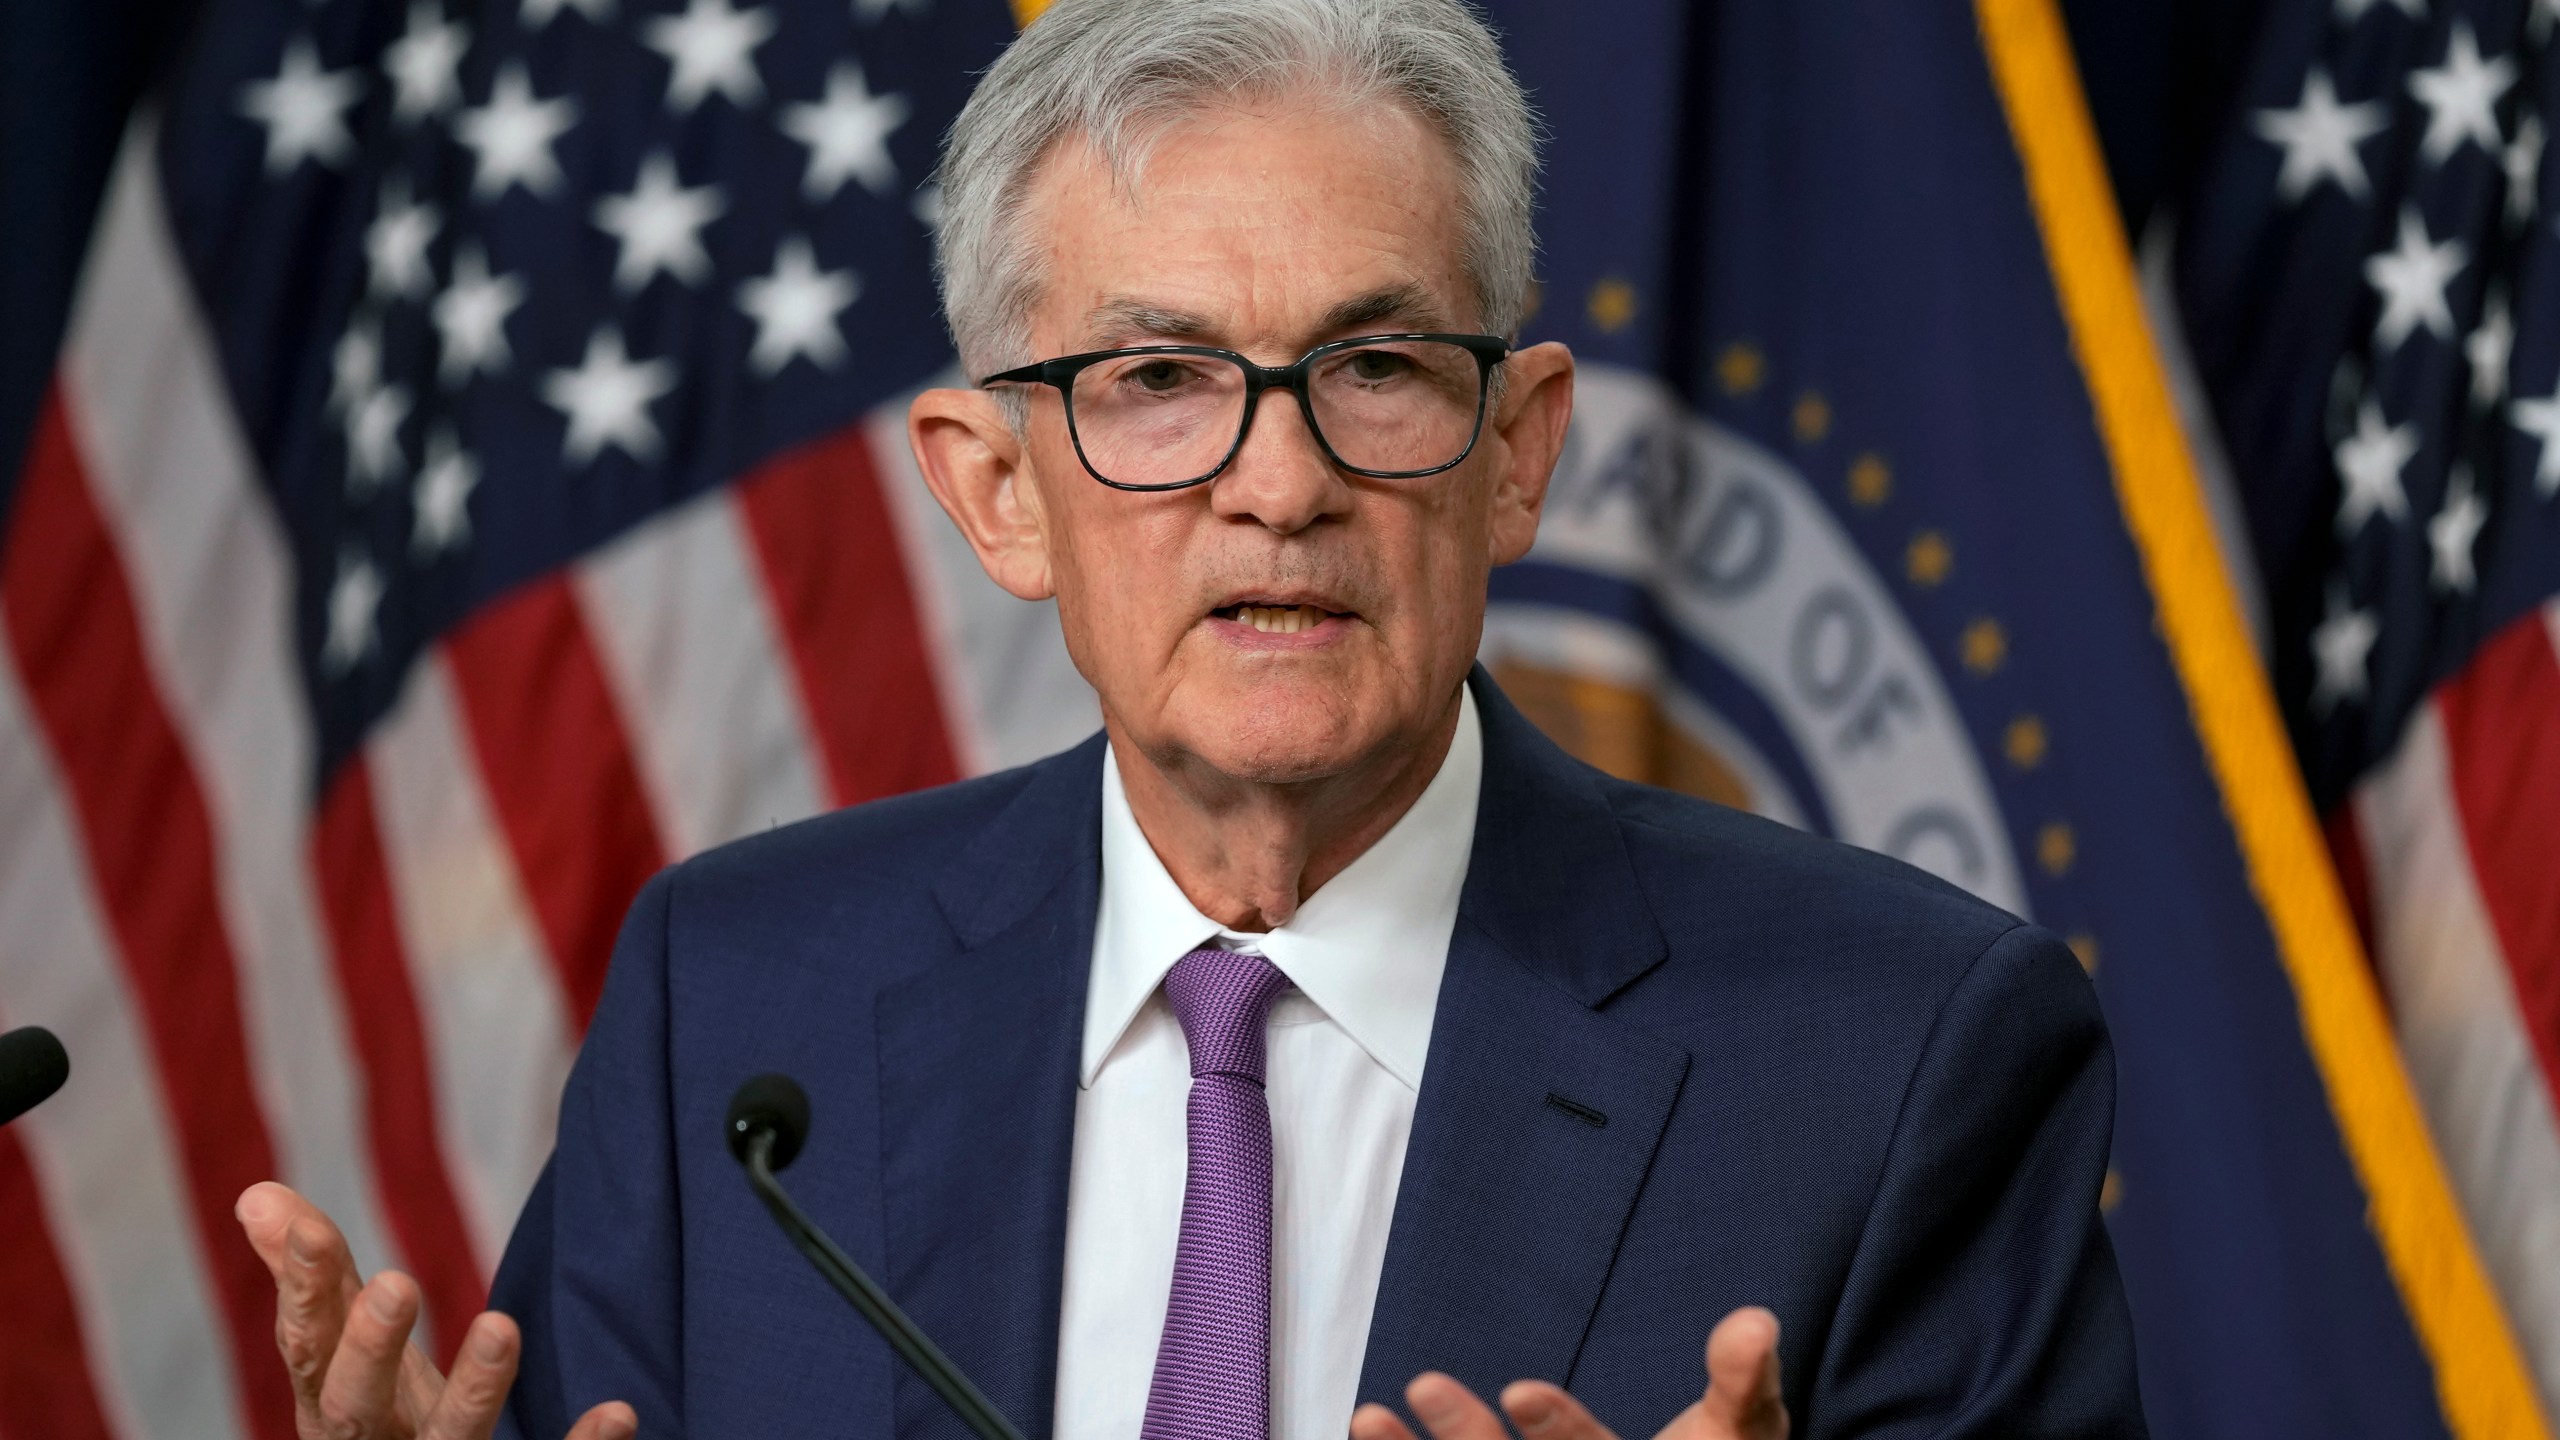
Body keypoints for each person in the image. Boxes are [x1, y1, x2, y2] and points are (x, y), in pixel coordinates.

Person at [233, 1, 2146, 1437]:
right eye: (1157, 379)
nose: (1278, 483)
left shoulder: (1900, 1058)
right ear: (996, 492)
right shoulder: (735, 1011)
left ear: (1519, 454)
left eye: (1377, 367)